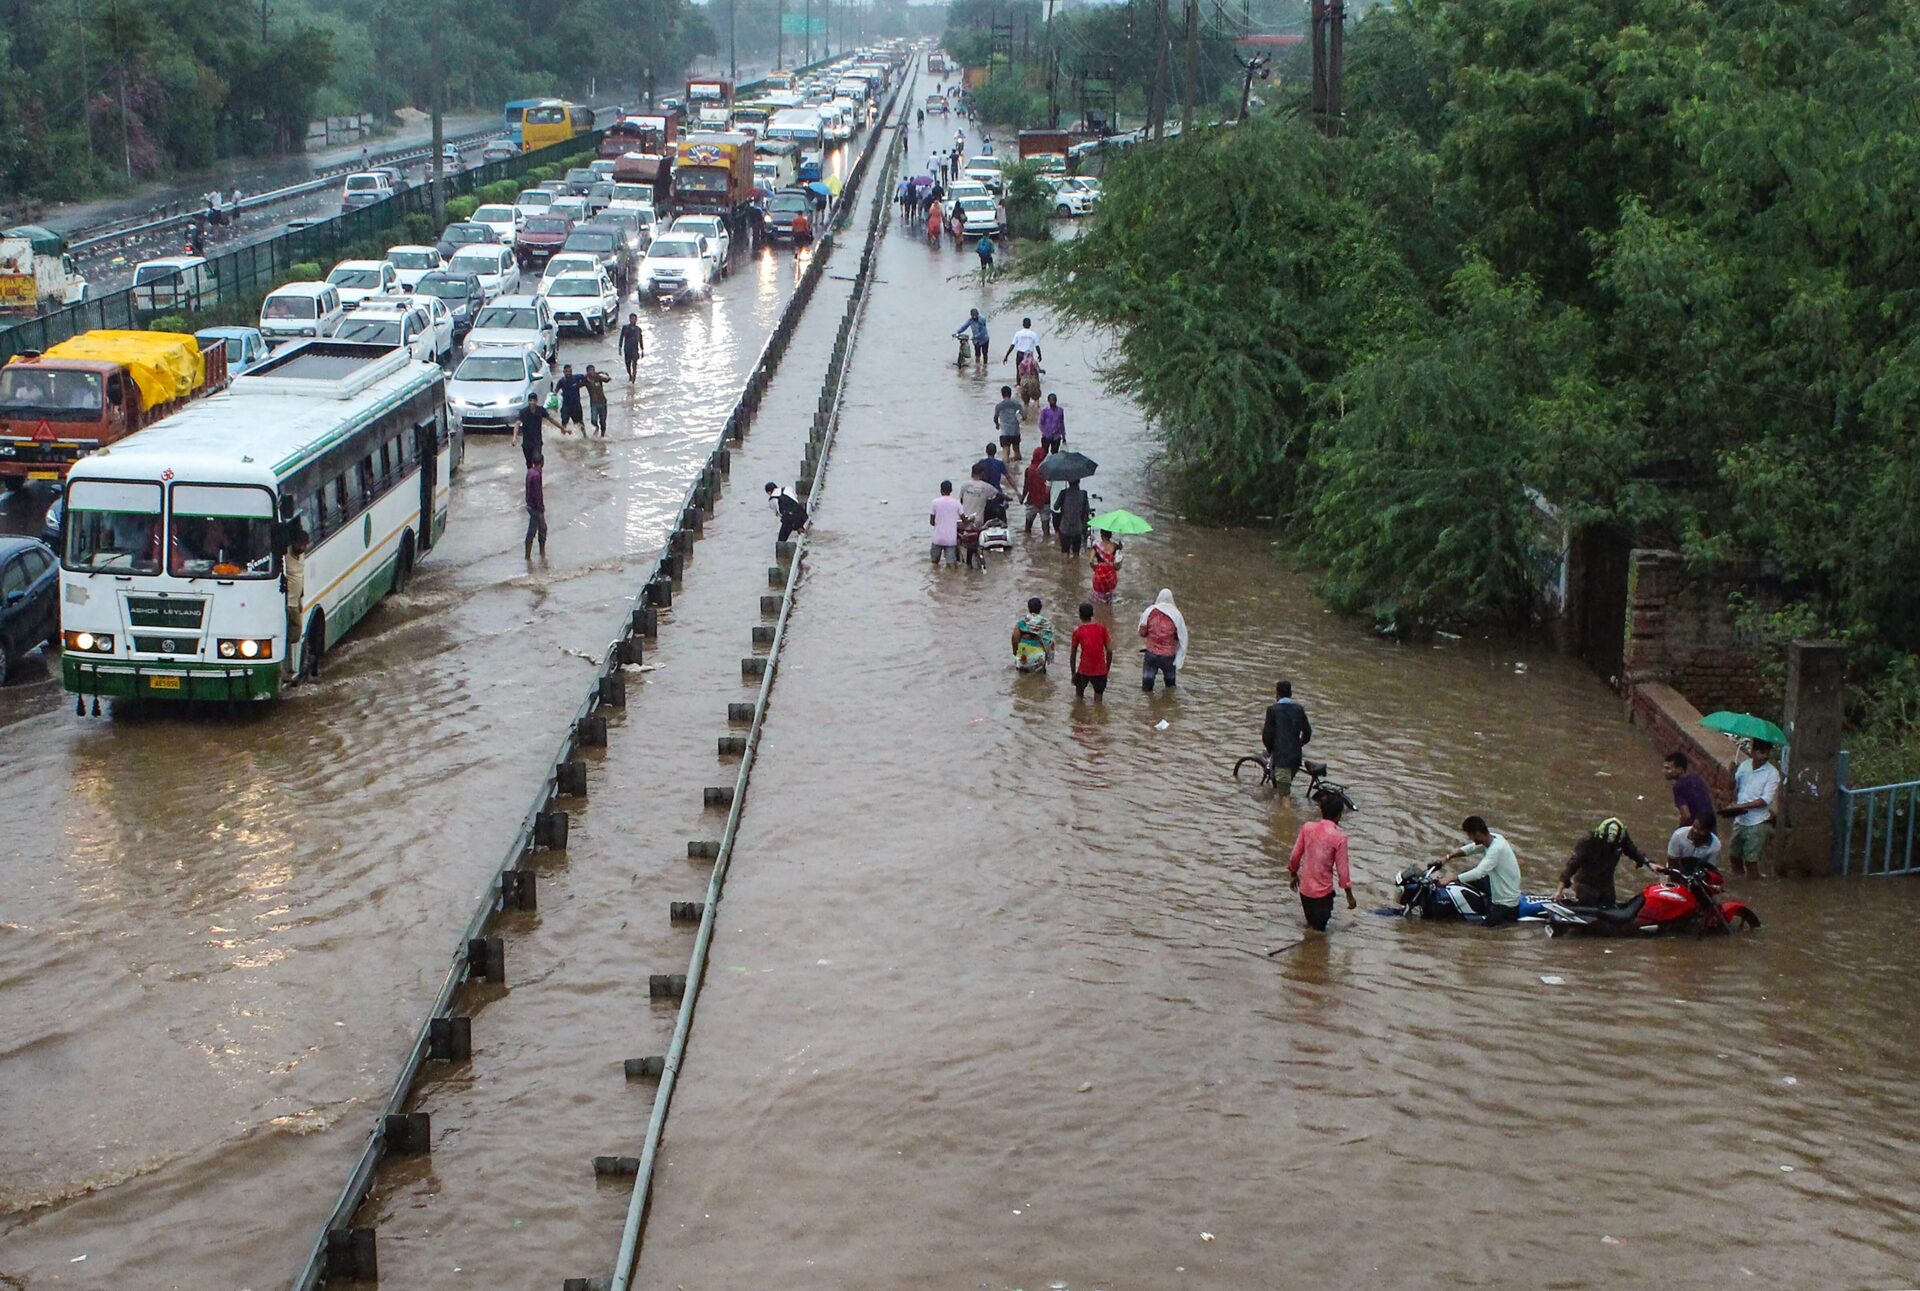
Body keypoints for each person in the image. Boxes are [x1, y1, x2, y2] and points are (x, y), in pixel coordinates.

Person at [1288, 791, 1356, 931]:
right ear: (1339, 815)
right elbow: (1343, 871)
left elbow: (1295, 856)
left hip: (1305, 891)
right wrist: (1349, 896)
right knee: (1320, 933)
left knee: (1311, 926)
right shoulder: (1339, 838)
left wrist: (1293, 874)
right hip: (1322, 895)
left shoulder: (1307, 828)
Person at [1436, 816, 1522, 925]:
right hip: (1497, 884)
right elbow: (1471, 848)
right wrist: (1448, 857)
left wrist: (1452, 878)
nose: (1469, 838)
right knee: (1464, 876)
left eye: (1470, 835)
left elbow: (1478, 872)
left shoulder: (1496, 849)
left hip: (1506, 903)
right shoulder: (1494, 838)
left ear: (1477, 834)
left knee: (1482, 932)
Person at [1718, 739, 1782, 877]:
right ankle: (1740, 880)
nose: (1764, 756)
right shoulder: (1744, 766)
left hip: (1758, 822)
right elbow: (1732, 787)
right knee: (1734, 856)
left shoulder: (1772, 774)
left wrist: (1740, 806)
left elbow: (1765, 800)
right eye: (1761, 752)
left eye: (1767, 753)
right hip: (1740, 820)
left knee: (1751, 861)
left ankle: (1753, 881)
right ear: (1753, 751)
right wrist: (1731, 774)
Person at [1554, 817, 1649, 908]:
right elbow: (1572, 865)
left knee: (1610, 911)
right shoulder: (1588, 841)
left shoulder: (1621, 837)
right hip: (1586, 884)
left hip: (1607, 884)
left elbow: (1633, 851)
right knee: (1589, 910)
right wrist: (1559, 890)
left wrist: (1649, 863)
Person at [1261, 680, 1314, 793]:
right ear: (1291, 693)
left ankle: (1285, 805)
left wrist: (1270, 750)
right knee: (1282, 790)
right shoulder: (1299, 709)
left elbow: (1267, 735)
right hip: (1296, 758)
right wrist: (1299, 744)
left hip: (1282, 759)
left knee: (1284, 795)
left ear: (1277, 694)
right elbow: (1308, 732)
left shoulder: (1272, 710)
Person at [1137, 588, 1188, 693]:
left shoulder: (1150, 612)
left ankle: (1147, 702)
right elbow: (1180, 636)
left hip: (1151, 655)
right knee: (1170, 686)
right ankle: (1169, 702)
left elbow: (1142, 632)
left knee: (1147, 687)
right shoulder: (1176, 615)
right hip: (1168, 657)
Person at [957, 465, 999, 569]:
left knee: (962, 541)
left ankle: (963, 563)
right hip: (977, 520)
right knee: (974, 542)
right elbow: (997, 495)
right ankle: (971, 564)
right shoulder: (987, 487)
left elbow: (961, 501)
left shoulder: (964, 485)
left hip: (963, 520)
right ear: (982, 474)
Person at [1069, 601, 1111, 699]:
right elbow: (1109, 650)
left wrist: (1073, 674)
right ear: (1092, 614)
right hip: (1100, 671)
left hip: (1084, 670)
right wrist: (1107, 670)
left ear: (1080, 615)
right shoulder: (1102, 629)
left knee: (1079, 698)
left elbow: (1073, 655)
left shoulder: (1078, 631)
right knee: (1098, 701)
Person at [512, 389, 565, 467]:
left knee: (537, 459)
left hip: (537, 441)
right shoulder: (523, 412)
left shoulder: (540, 410)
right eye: (530, 400)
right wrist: (514, 437)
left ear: (536, 401)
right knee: (529, 463)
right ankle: (531, 473)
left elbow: (551, 419)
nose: (532, 402)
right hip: (527, 442)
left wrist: (562, 428)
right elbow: (517, 424)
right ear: (528, 401)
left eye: (534, 400)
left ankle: (539, 472)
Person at [1664, 750, 1714, 827]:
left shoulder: (1678, 787)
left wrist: (1680, 829)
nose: (1664, 771)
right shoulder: (1696, 778)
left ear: (1679, 769)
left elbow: (1686, 816)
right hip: (1710, 826)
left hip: (1697, 828)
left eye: (1668, 768)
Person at [1012, 596, 1054, 673]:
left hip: (1022, 656)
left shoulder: (1022, 622)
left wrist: (1015, 652)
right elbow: (1048, 642)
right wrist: (1047, 659)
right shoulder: (1045, 623)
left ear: (1028, 608)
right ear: (1040, 608)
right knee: (1039, 678)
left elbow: (1014, 638)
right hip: (1038, 657)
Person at [929, 480, 963, 567]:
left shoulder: (935, 502)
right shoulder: (957, 503)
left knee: (934, 563)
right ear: (951, 490)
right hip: (950, 539)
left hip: (937, 538)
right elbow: (964, 519)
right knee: (951, 565)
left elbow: (932, 522)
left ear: (940, 490)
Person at [1021, 445, 1051, 538]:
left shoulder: (1029, 470)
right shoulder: (1048, 469)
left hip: (1032, 500)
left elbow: (1026, 487)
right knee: (1046, 530)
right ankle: (1046, 543)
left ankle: (1027, 544)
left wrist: (1022, 498)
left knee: (1027, 528)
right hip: (1046, 501)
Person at [1053, 477, 1090, 555]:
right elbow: (1086, 510)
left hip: (1065, 528)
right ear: (1079, 482)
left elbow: (1055, 507)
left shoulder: (1063, 493)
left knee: (1065, 553)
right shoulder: (1083, 494)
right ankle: (1075, 563)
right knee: (1076, 554)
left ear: (1068, 482)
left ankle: (1066, 563)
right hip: (1077, 528)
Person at [524, 454, 548, 559]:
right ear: (542, 462)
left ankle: (531, 555)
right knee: (539, 530)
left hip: (530, 505)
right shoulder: (537, 475)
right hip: (535, 507)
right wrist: (541, 508)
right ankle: (537, 554)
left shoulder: (530, 472)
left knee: (537, 530)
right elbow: (538, 493)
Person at [1089, 529, 1122, 604]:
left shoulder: (1096, 546)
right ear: (1110, 535)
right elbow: (1117, 561)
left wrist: (1095, 568)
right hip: (1111, 574)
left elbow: (1090, 561)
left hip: (1099, 573)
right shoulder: (1115, 546)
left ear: (1101, 535)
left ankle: (1099, 608)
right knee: (1109, 595)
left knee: (1097, 597)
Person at [555, 363, 587, 432]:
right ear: (564, 372)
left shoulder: (576, 378)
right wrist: (554, 404)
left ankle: (584, 436)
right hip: (566, 406)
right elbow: (555, 392)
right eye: (567, 372)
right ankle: (562, 436)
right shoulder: (561, 381)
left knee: (580, 422)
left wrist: (581, 385)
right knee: (564, 423)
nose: (568, 373)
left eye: (570, 371)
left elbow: (586, 377)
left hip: (576, 405)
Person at [992, 385, 1022, 457]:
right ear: (1010, 394)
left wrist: (997, 424)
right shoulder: (1017, 404)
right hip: (1015, 431)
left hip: (1005, 433)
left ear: (1002, 394)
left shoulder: (999, 406)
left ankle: (1006, 464)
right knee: (1017, 450)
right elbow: (1023, 416)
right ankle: (1018, 464)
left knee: (1005, 452)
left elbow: (995, 417)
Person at [582, 364, 611, 436]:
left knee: (603, 421)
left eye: (593, 370)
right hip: (593, 403)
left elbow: (607, 380)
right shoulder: (586, 380)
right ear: (587, 372)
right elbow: (578, 385)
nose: (592, 372)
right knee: (593, 420)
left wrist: (605, 374)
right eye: (590, 370)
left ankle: (602, 436)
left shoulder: (598, 377)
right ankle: (597, 427)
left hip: (602, 401)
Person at [1015, 353, 1042, 419]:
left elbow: (1020, 374)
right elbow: (1038, 370)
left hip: (1023, 382)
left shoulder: (1021, 364)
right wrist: (1042, 371)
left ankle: (1025, 417)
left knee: (1026, 403)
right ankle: (1035, 416)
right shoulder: (1034, 362)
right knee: (1036, 399)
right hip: (1033, 382)